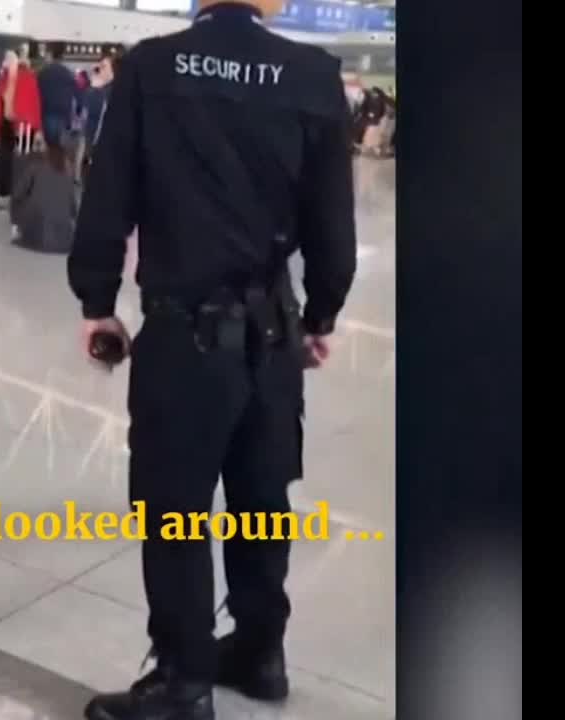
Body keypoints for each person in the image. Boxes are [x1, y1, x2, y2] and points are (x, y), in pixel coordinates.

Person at [66, 0, 357, 716]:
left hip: (184, 337)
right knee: (262, 500)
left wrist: (97, 300)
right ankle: (260, 653)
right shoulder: (314, 74)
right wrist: (320, 313)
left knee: (175, 512)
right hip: (273, 335)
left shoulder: (153, 67)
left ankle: (184, 680)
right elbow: (332, 217)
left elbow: (110, 194)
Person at [36, 41, 81, 152]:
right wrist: (78, 111)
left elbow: (37, 93)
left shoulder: (43, 72)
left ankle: (51, 165)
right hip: (64, 112)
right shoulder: (68, 73)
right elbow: (77, 93)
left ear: (51, 55)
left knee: (50, 143)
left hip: (48, 111)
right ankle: (59, 164)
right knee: (60, 145)